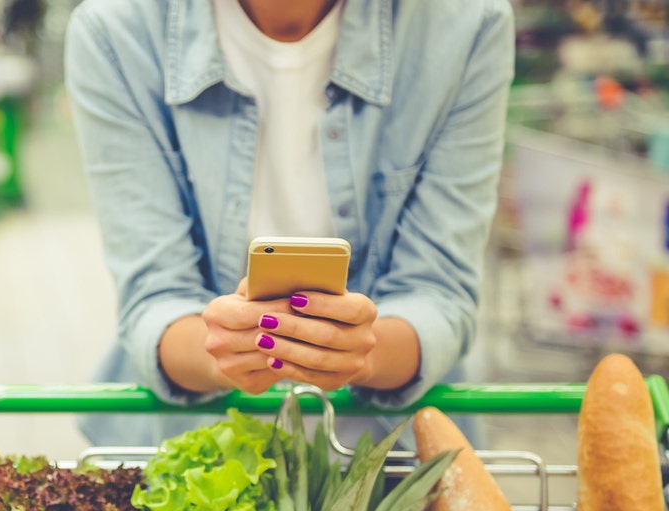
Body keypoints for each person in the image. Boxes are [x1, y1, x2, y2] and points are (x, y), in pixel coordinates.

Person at [63, 0, 514, 448]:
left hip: (394, 464)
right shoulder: (117, 31)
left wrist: (363, 352)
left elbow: (441, 291)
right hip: (196, 456)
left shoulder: (466, 26)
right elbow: (154, 297)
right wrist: (220, 349)